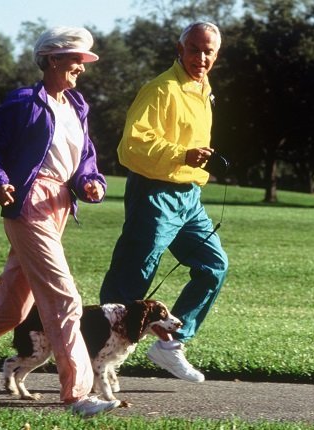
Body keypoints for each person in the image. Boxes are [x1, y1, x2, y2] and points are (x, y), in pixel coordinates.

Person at [0, 26, 120, 416]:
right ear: (51, 59)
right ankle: (79, 396)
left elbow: (84, 160)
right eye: (75, 59)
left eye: (84, 61)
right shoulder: (24, 103)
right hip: (29, 203)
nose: (81, 67)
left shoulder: (76, 106)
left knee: (13, 306)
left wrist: (90, 183)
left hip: (59, 204)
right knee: (65, 298)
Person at [99, 21, 228, 383]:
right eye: (194, 49)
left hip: (190, 197)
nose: (200, 58)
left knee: (213, 266)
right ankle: (96, 352)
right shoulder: (160, 89)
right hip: (154, 193)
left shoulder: (203, 88)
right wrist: (181, 155)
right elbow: (131, 146)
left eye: (208, 52)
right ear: (180, 48)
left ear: (216, 55)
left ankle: (170, 344)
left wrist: (190, 162)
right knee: (133, 276)